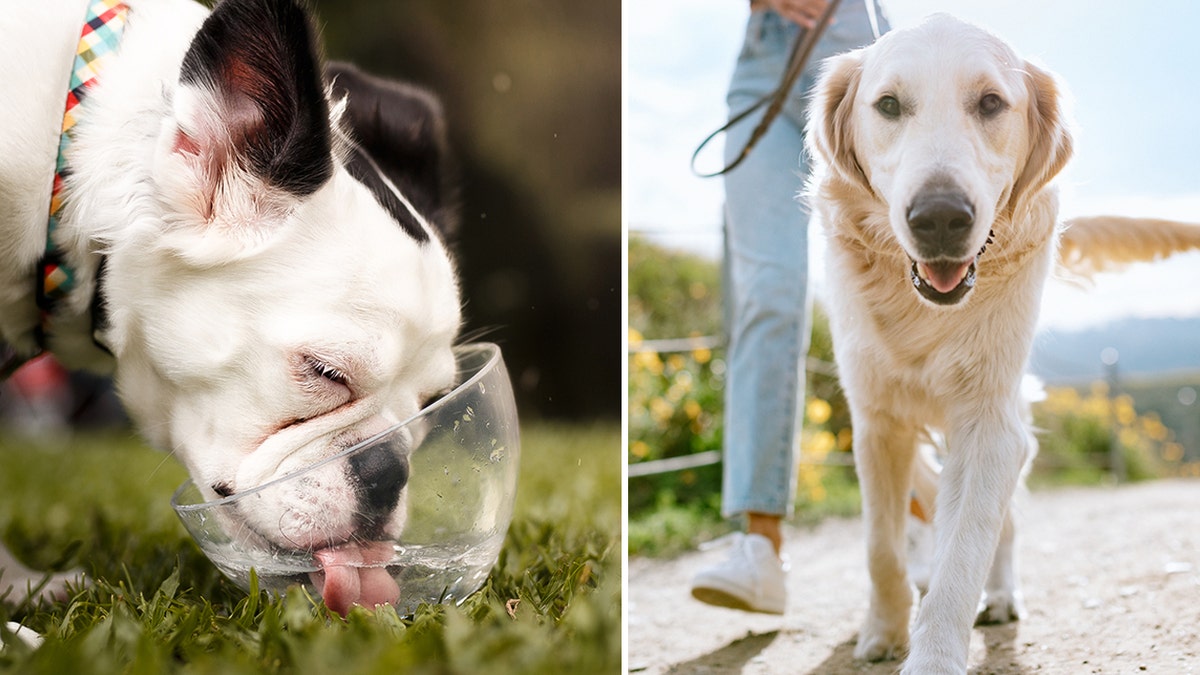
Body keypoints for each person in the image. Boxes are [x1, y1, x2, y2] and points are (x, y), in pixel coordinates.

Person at [689, 0, 889, 614]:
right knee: (768, 291)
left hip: (855, 38)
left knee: (890, 273)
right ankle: (760, 548)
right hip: (762, 53)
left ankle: (924, 503)